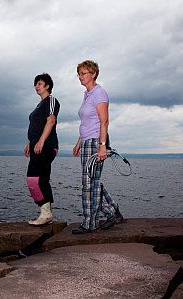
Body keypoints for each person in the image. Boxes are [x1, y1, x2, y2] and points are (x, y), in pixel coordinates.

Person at [71, 60, 123, 234]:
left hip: (96, 142)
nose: (80, 77)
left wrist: (102, 146)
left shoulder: (99, 93)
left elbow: (104, 121)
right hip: (87, 141)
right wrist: (79, 142)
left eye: (83, 73)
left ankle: (90, 223)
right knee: (93, 182)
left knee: (88, 183)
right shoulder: (87, 94)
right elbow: (87, 122)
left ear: (93, 74)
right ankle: (112, 211)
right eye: (78, 74)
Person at [24, 73, 60, 226]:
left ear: (47, 86)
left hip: (46, 145)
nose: (36, 86)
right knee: (39, 179)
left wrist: (41, 141)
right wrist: (29, 143)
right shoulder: (39, 105)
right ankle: (46, 213)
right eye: (36, 84)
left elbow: (51, 120)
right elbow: (36, 126)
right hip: (37, 145)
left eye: (40, 83)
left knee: (34, 179)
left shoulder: (50, 100)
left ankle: (46, 213)